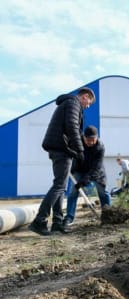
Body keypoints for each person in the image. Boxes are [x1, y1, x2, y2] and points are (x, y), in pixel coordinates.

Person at [29, 87, 96, 236]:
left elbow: (73, 128)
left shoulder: (68, 103)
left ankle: (57, 223)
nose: (88, 106)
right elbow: (72, 127)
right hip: (62, 149)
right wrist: (80, 150)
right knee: (59, 185)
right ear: (85, 97)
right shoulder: (73, 104)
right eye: (89, 102)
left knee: (61, 185)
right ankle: (39, 221)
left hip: (59, 148)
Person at [64, 125, 112, 229]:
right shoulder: (77, 142)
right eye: (88, 140)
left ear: (97, 138)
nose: (90, 142)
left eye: (93, 140)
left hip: (96, 171)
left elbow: (96, 168)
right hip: (79, 169)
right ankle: (69, 217)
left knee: (103, 191)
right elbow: (67, 149)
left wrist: (85, 180)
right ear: (84, 137)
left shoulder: (100, 147)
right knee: (73, 191)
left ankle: (108, 216)